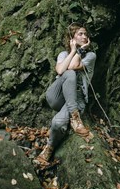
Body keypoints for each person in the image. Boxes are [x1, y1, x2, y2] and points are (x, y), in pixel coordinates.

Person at [34, 23, 96, 166]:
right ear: (71, 37)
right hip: (57, 96)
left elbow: (74, 66)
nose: (84, 36)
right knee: (68, 73)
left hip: (78, 96)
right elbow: (61, 70)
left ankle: (49, 148)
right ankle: (75, 117)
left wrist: (80, 51)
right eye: (80, 34)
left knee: (57, 123)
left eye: (86, 34)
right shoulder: (63, 54)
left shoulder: (91, 55)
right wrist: (74, 50)